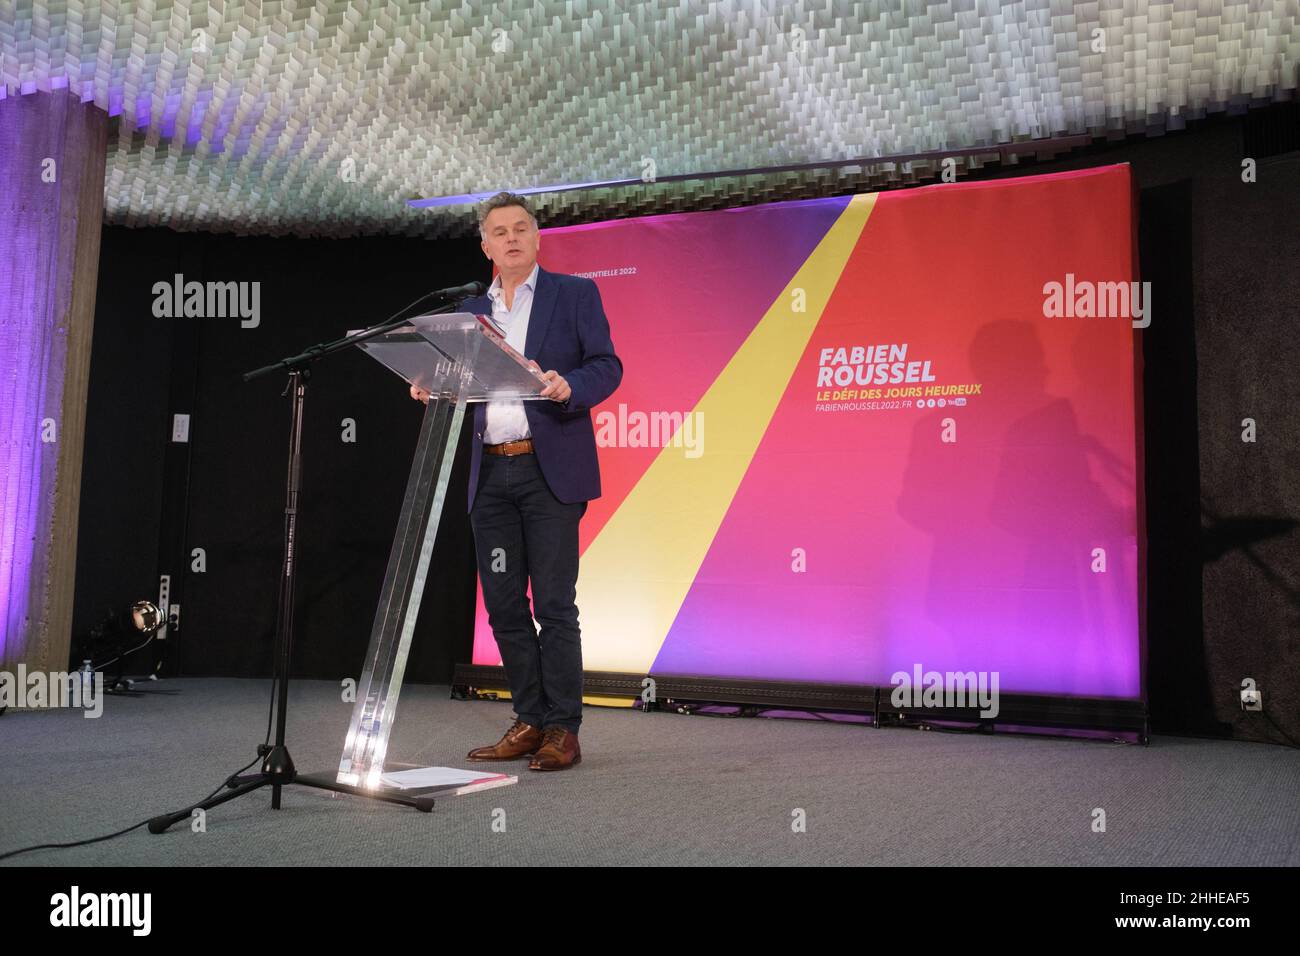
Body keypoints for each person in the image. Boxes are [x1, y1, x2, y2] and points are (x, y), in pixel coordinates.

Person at [411, 191, 621, 770]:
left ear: (537, 237)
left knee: (554, 605)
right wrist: (432, 384)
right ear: (485, 246)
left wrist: (570, 386)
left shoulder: (575, 294)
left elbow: (607, 365)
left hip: (548, 470)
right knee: (503, 604)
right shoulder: (469, 313)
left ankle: (563, 730)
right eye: (498, 231)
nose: (510, 238)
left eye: (520, 229)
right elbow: (456, 380)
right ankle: (529, 719)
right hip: (492, 472)